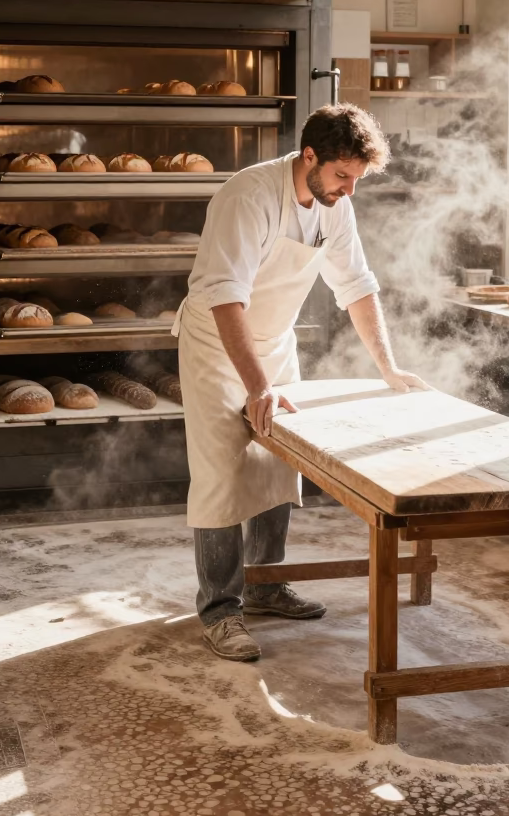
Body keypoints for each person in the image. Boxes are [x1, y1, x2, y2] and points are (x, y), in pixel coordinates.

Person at [173, 102, 428, 663]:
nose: (349, 190)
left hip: (274, 342)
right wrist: (257, 386)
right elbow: (224, 297)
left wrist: (388, 367)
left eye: (357, 179)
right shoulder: (248, 198)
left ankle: (265, 586)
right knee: (222, 475)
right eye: (343, 176)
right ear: (309, 156)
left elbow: (356, 285)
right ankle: (219, 610)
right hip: (217, 344)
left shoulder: (335, 205)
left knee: (276, 462)